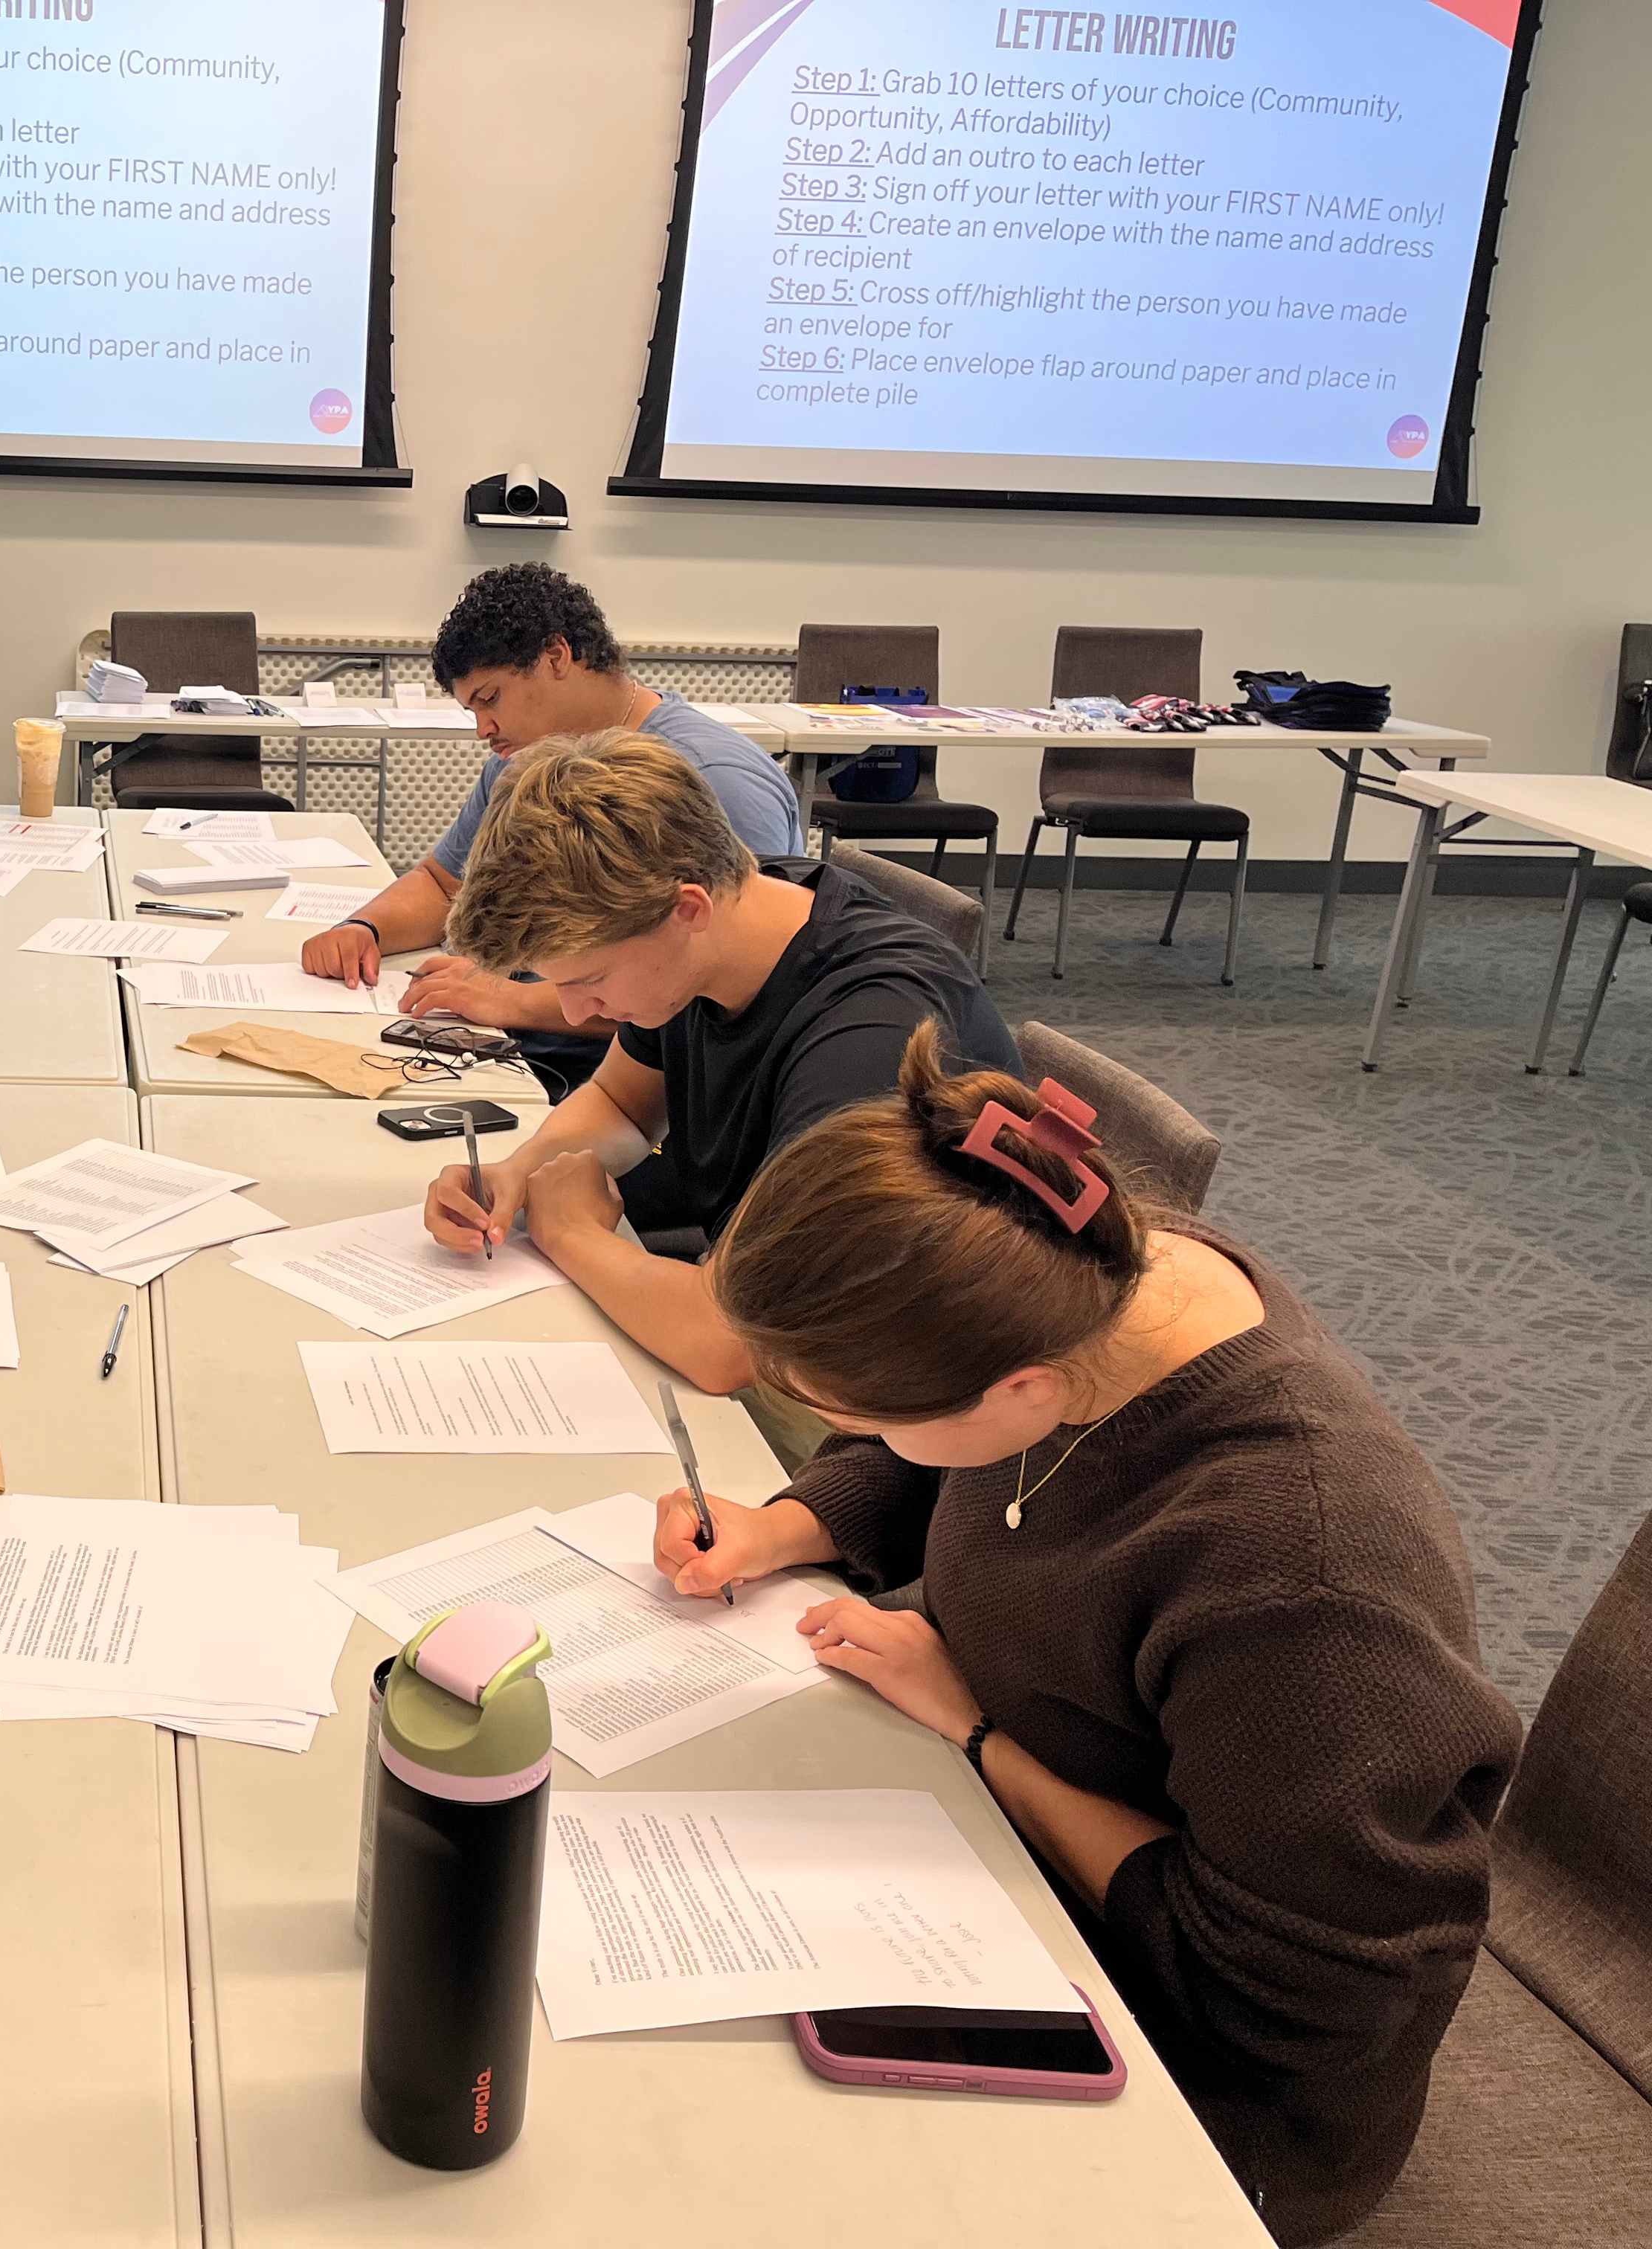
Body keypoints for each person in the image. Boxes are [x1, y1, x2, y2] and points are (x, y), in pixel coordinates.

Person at [669, 1023, 1520, 2245]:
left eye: (837, 1403)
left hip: (1216, 2078)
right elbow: (928, 1439)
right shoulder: (1080, 1277)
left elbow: (1297, 2001)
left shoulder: (1299, 1575)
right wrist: (789, 1521)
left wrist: (976, 1733)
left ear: (1017, 1394)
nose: (820, 1415)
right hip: (1007, 1853)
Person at [420, 730, 1014, 1394]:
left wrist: (568, 1232)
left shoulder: (869, 1034)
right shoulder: (735, 921)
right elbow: (620, 1101)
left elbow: (734, 1344)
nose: (579, 1013)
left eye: (590, 978)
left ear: (687, 909)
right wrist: (515, 1173)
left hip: (905, 1386)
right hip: (763, 1292)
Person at [300, 563, 803, 1084]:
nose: (482, 730)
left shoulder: (716, 778)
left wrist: (515, 1001)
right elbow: (444, 883)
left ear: (556, 657)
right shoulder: (527, 759)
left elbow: (725, 990)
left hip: (622, 1079)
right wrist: (365, 930)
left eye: (490, 699)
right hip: (530, 1042)